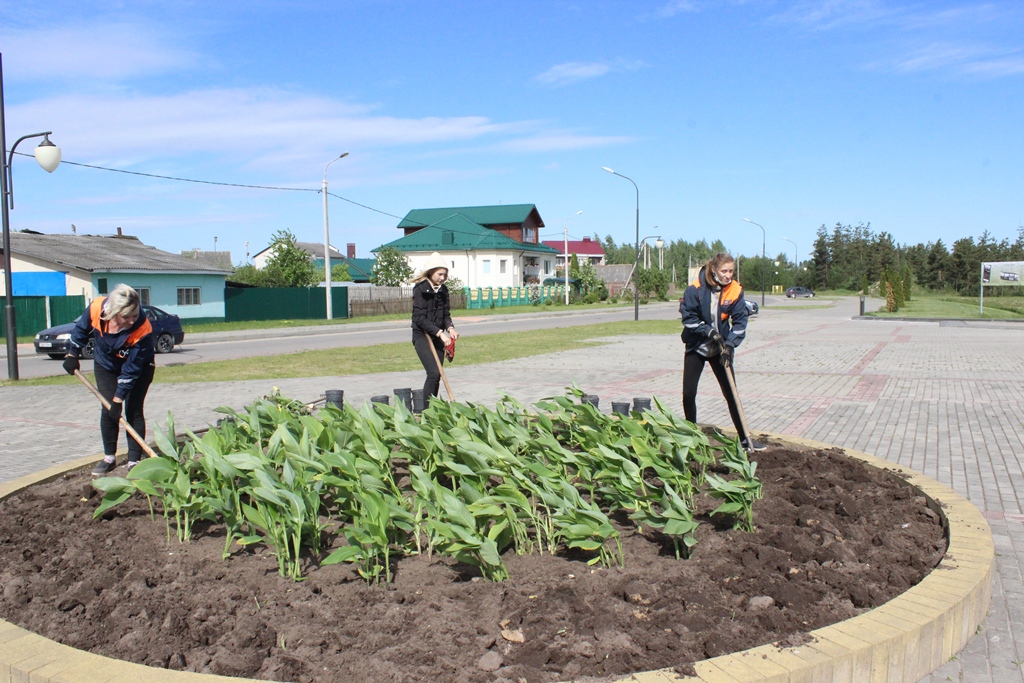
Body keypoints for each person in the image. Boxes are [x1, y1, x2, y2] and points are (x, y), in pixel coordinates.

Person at [62, 284, 156, 475]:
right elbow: (80, 330)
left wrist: (118, 399)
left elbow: (131, 370)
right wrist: (72, 355)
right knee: (108, 409)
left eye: (134, 316)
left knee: (133, 409)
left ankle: (134, 460)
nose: (131, 321)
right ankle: (109, 458)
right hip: (106, 365)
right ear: (113, 311)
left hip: (139, 368)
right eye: (126, 317)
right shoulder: (97, 308)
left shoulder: (142, 328)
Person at [680, 253, 765, 452]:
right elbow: (689, 318)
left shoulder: (735, 291)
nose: (728, 275)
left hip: (721, 348)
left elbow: (740, 323)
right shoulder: (695, 289)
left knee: (731, 393)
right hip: (697, 346)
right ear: (714, 270)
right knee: (688, 393)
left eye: (731, 271)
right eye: (724, 271)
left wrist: (729, 346)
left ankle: (745, 439)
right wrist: (708, 331)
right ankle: (692, 435)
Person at [411, 252, 459, 399]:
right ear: (431, 272)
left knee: (438, 373)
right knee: (433, 372)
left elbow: (445, 314)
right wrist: (440, 333)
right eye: (440, 274)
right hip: (422, 335)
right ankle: (425, 409)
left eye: (445, 275)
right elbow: (419, 318)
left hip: (438, 337)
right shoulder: (420, 289)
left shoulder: (443, 290)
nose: (442, 278)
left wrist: (450, 328)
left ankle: (433, 408)